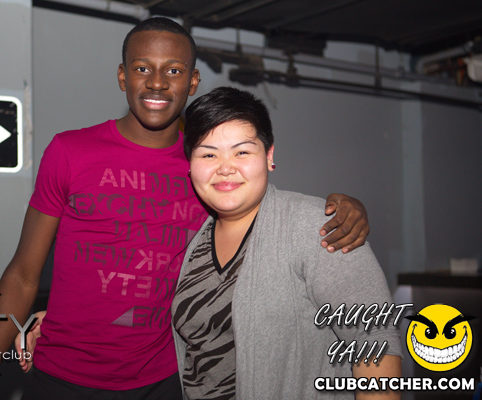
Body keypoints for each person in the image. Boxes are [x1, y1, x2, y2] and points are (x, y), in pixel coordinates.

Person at [0, 18, 371, 400]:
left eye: (173, 70)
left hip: (163, 382)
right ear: (122, 76)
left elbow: (272, 210)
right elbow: (21, 276)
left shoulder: (205, 169)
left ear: (192, 82)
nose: (156, 82)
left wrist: (344, 206)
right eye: (142, 68)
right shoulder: (70, 151)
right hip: (60, 379)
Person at [171, 86, 402, 399]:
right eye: (208, 154)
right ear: (190, 164)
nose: (225, 168)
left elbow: (374, 339)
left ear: (269, 156)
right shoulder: (195, 241)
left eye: (242, 152)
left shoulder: (318, 226)